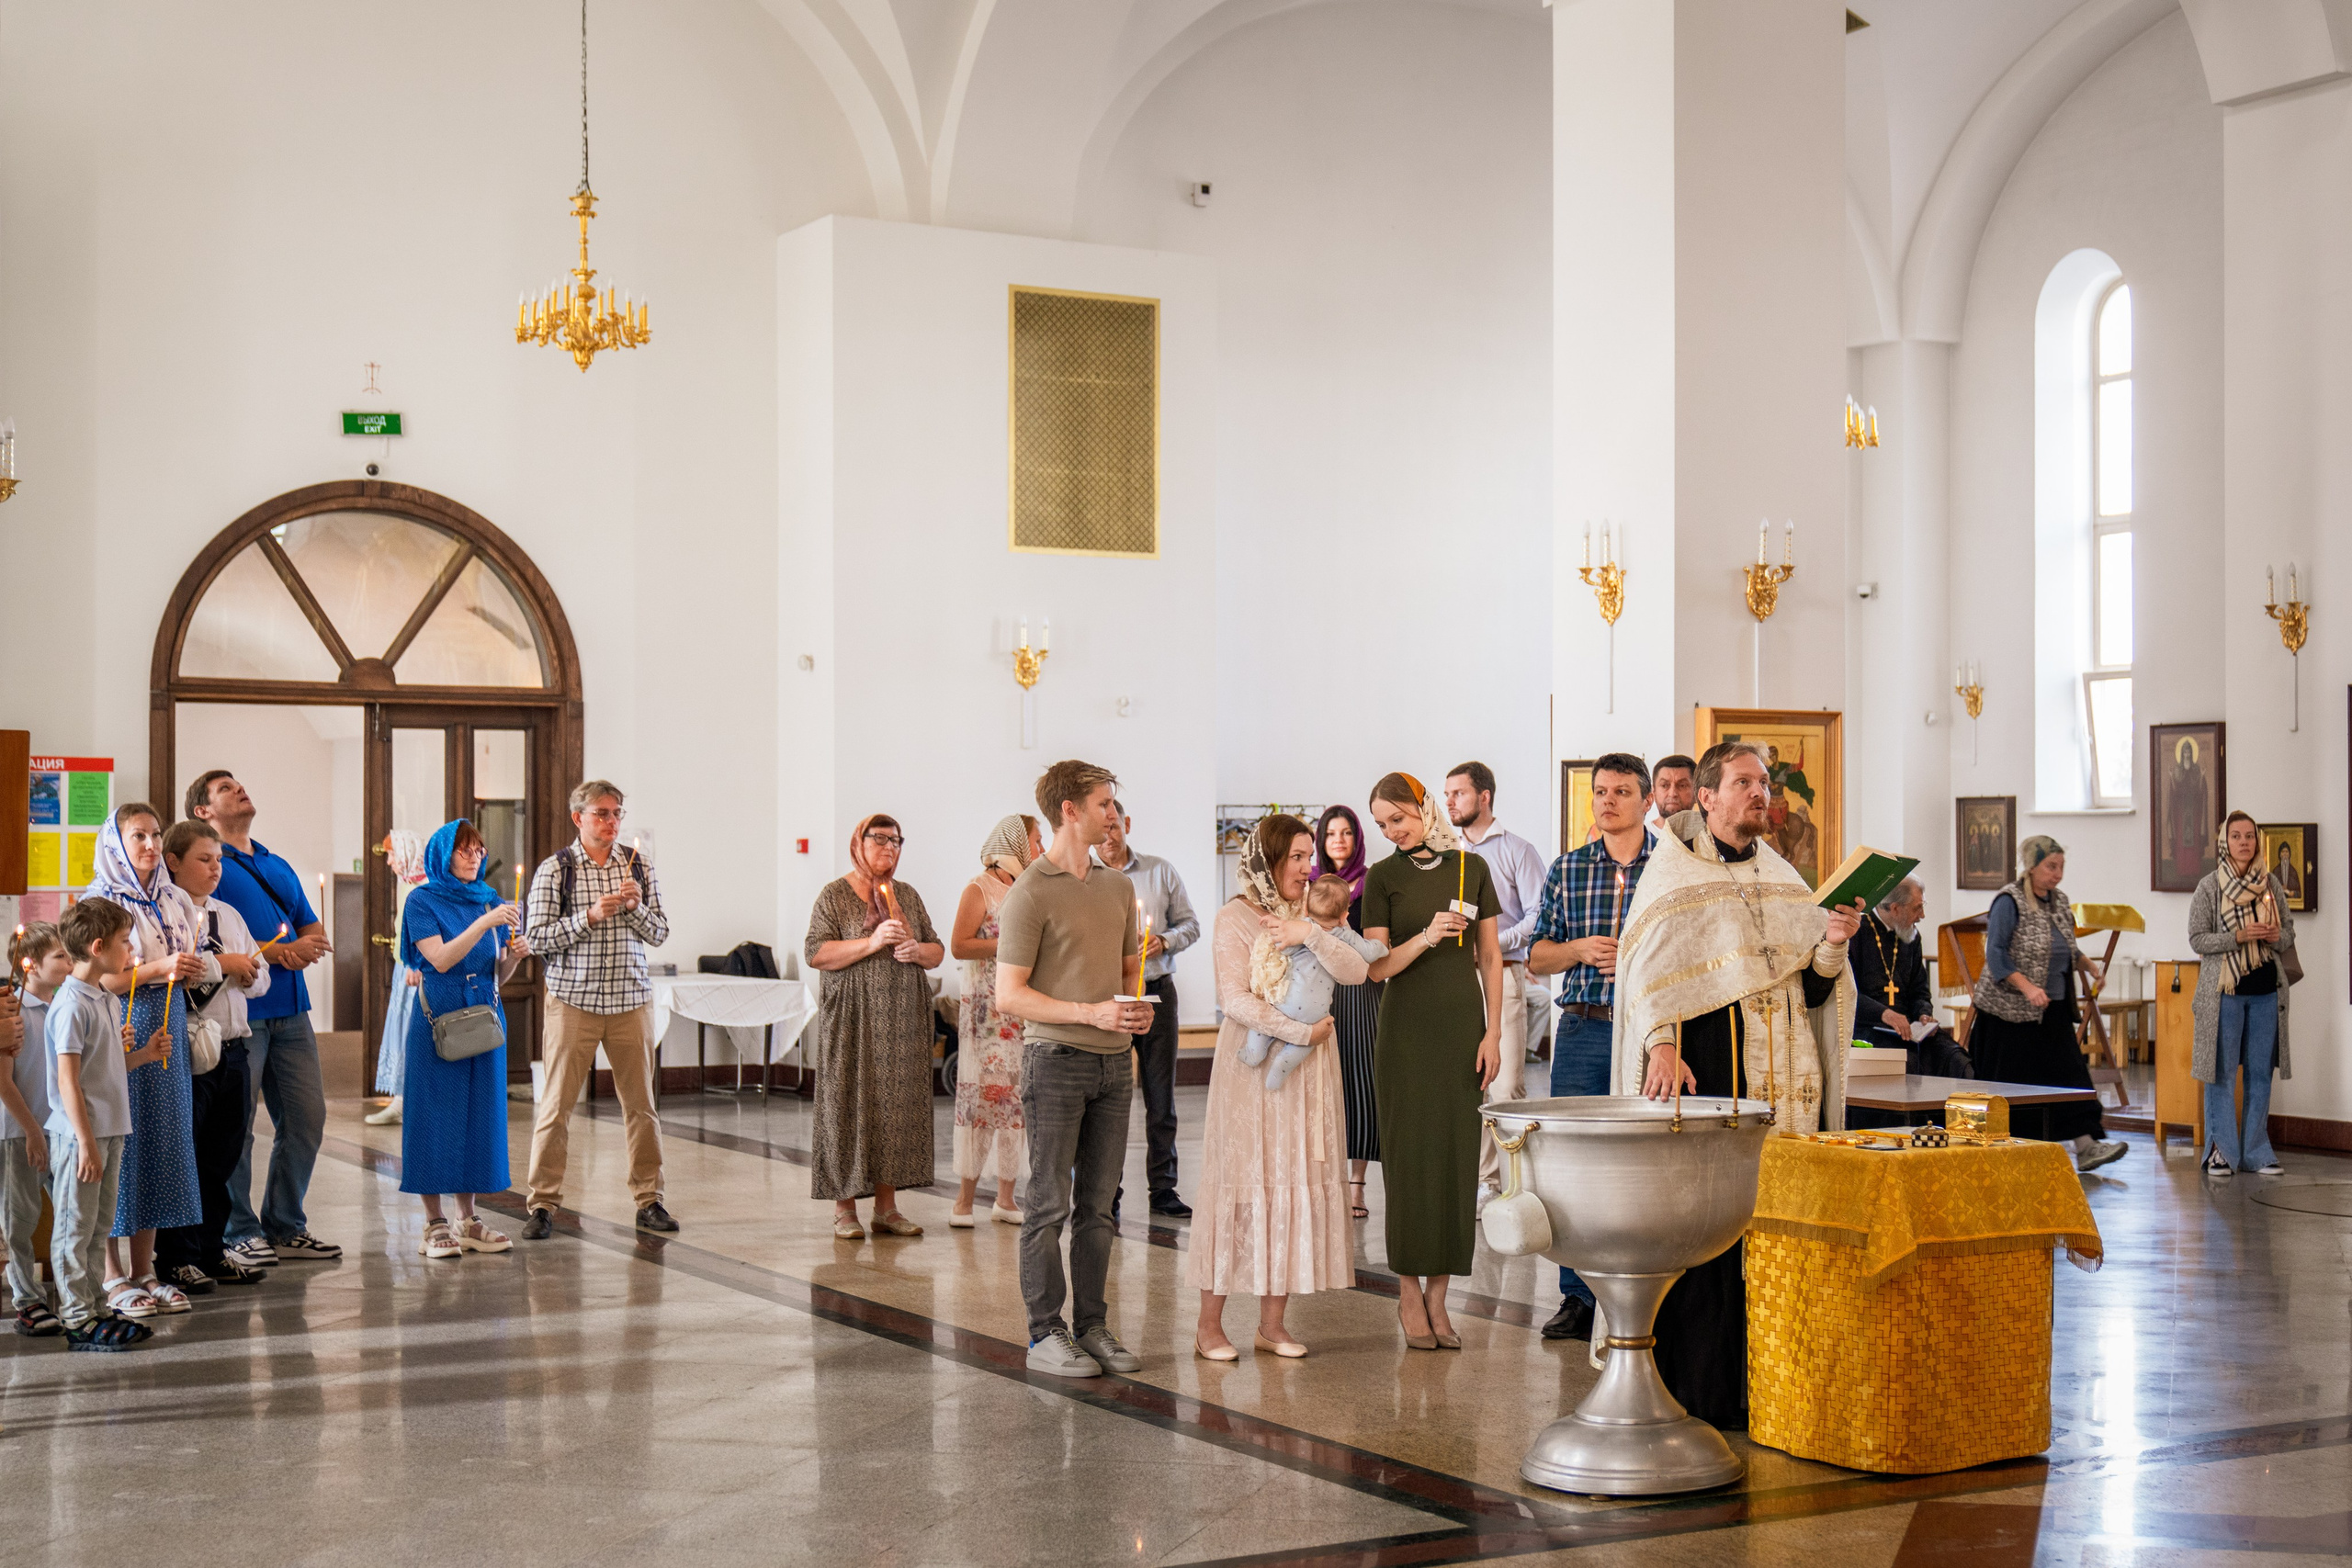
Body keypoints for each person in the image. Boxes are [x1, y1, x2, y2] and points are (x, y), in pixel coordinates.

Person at [1613, 740, 1863, 1428]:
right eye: (1745, 782)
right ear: (1708, 795)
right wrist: (1660, 1044)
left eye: (1765, 784)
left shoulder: (1784, 877)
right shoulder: (1672, 874)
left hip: (1787, 1090)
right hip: (1711, 1078)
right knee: (1709, 1243)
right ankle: (1705, 1394)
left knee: (1780, 1240)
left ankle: (1778, 1390)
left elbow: (1815, 988)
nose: (1760, 793)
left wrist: (1835, 938)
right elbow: (1647, 974)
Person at [1191, 818, 1378, 1359]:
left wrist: (1315, 933)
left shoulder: (1310, 916)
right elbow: (1236, 999)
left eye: (1308, 856)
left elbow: (1355, 974)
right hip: (1253, 1071)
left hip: (1308, 1071)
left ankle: (1272, 1324)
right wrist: (1303, 1032)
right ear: (1268, 859)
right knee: (1241, 1181)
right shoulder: (1235, 917)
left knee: (1291, 1179)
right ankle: (1209, 1327)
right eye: (1296, 857)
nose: (1306, 867)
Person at [993, 760, 1151, 1379]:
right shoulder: (1030, 891)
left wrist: (1134, 1010)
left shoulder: (1116, 887)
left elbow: (1125, 970)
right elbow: (1010, 994)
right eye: (1104, 803)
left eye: (1113, 803)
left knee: (1099, 1207)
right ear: (1071, 810)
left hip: (1114, 1066)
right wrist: (1088, 1011)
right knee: (1048, 1204)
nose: (1113, 813)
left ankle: (1092, 1323)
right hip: (1055, 1061)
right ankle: (1045, 1331)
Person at [1361, 772, 1502, 1350]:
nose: (1393, 832)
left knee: (1454, 1160)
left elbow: (1490, 955)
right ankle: (1406, 1292)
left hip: (1462, 1031)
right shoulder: (1380, 878)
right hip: (1405, 1035)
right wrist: (1425, 936)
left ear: (1424, 809)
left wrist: (1493, 1034)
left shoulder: (1473, 869)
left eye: (1400, 818)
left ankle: (1440, 1297)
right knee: (1409, 1161)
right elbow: (1376, 967)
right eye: (1383, 824)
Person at [186, 770, 342, 1267]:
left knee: (306, 1118)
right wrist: (279, 952)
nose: (239, 789)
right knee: (238, 1128)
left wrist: (305, 946)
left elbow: (308, 922)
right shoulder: (208, 865)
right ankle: (238, 1230)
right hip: (239, 1015)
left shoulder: (274, 862)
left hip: (292, 1012)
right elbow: (209, 939)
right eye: (224, 788)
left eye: (240, 784)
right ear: (202, 811)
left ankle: (286, 1224)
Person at [1527, 750, 1655, 1340]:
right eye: (1600, 791)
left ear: (1647, 800)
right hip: (1581, 1027)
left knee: (1644, 1161)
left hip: (1648, 1031)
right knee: (1572, 1160)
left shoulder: (1670, 868)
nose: (1607, 801)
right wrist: (1578, 950)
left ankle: (1647, 1284)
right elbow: (1536, 958)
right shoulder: (1569, 868)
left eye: (1621, 792)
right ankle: (1576, 1297)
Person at [521, 780, 676, 1239]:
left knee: (642, 1107)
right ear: (579, 818)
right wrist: (588, 916)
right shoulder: (556, 870)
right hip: (574, 1001)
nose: (611, 823)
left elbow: (661, 932)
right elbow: (537, 938)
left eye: (617, 814)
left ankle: (650, 1200)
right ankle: (543, 1204)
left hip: (630, 1000)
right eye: (602, 814)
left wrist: (632, 907)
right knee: (557, 1107)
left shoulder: (639, 866)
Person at [87, 806, 207, 1317]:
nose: (151, 845)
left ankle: (145, 1269)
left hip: (169, 1020)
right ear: (116, 841)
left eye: (156, 835)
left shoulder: (173, 897)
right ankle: (112, 1275)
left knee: (162, 1138)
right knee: (123, 1143)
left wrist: (192, 970)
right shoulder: (99, 901)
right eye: (138, 835)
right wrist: (160, 967)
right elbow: (97, 977)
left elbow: (189, 956)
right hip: (123, 1019)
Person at [804, 813, 945, 1239]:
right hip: (853, 1019)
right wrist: (871, 942)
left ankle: (887, 1208)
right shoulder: (834, 895)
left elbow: (938, 950)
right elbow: (816, 953)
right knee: (848, 1104)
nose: (888, 847)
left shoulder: (907, 895)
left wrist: (915, 950)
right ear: (858, 842)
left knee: (895, 1110)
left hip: (902, 1019)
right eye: (879, 839)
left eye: (896, 840)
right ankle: (845, 1209)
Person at [401, 820, 532, 1256]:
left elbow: (498, 974)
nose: (474, 857)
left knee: (479, 1118)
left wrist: (513, 956)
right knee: (435, 1118)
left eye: (478, 850)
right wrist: (485, 924)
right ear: (443, 856)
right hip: (440, 1019)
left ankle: (467, 1219)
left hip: (483, 1018)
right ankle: (434, 1224)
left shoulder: (487, 900)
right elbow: (438, 959)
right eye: (465, 851)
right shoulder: (422, 900)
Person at [155, 820, 272, 1294]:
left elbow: (260, 979)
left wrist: (247, 973)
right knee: (187, 1155)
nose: (215, 869)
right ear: (173, 862)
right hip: (186, 1047)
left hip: (233, 1046)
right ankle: (176, 1257)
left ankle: (211, 1250)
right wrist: (222, 964)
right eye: (204, 860)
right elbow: (176, 974)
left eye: (219, 860)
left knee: (224, 1154)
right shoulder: (165, 915)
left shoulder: (228, 915)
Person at [1967, 836, 2127, 1172]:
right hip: (2007, 1015)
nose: (2057, 874)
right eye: (2051, 867)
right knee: (2014, 1086)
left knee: (2071, 1075)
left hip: (2051, 1008)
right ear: (2031, 866)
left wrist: (2090, 965)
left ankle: (2087, 1146)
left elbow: (2066, 946)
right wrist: (2026, 987)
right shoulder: (2009, 902)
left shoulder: (2059, 901)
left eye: (2061, 867)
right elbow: (1995, 954)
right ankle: (2010, 1155)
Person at [45, 897, 157, 1350]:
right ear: (97, 947)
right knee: (74, 1227)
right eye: (125, 942)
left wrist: (144, 1055)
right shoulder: (71, 1004)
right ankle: (75, 1318)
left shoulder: (105, 998)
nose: (131, 950)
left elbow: (105, 1068)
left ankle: (93, 1308)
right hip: (80, 1136)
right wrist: (86, 1143)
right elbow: (68, 1080)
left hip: (111, 1130)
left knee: (98, 1226)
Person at [1444, 762, 1549, 1199]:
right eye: (1446, 794)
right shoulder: (1444, 853)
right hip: (1452, 981)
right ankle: (1483, 1182)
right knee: (1467, 1081)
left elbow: (1538, 915)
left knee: (1504, 1084)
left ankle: (1516, 1184)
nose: (1449, 802)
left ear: (1484, 796)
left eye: (1458, 794)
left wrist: (1491, 943)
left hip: (1502, 974)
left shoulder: (1517, 850)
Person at [1096, 802, 1200, 1218]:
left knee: (1161, 1097)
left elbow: (1190, 924)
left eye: (1114, 826)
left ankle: (1164, 1190)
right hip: (1110, 996)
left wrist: (1164, 941)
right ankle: (1108, 1193)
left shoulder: (1160, 871)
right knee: (1112, 1099)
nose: (1108, 836)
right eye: (1100, 829)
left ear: (1127, 824)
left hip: (1157, 991)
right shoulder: (1086, 877)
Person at [947, 814, 1041, 1227]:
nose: (1040, 848)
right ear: (1016, 843)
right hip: (986, 1013)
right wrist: (1009, 945)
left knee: (1015, 1102)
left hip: (1020, 1010)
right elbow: (959, 945)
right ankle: (964, 1201)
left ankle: (1006, 1198)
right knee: (983, 1100)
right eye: (1036, 840)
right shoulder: (979, 887)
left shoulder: (1029, 887)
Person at [2188, 812, 2295, 1178]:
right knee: (2221, 1073)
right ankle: (2220, 1152)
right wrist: (2238, 936)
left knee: (2260, 1073)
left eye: (2250, 836)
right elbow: (2197, 938)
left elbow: (2288, 936)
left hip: (2266, 991)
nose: (2244, 842)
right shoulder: (2209, 887)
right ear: (2225, 843)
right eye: (2236, 836)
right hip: (2225, 994)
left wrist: (2271, 935)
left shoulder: (2271, 884)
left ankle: (2256, 1152)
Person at [1238, 875, 1387, 1091]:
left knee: (1262, 1028)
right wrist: (1382, 947)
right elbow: (1369, 952)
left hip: (1286, 1002)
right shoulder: (1345, 935)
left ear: (1306, 910)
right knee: (1303, 1044)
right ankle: (1283, 1064)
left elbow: (1286, 948)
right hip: (1314, 1013)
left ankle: (1254, 1052)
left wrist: (1276, 926)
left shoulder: (1301, 926)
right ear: (1344, 915)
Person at [1313, 805, 1380, 1221]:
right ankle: (1324, 1182)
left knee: (1359, 1081)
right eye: (1331, 833)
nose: (1338, 840)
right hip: (1318, 990)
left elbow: (1374, 940)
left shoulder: (1371, 882)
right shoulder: (1309, 884)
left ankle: (1355, 1185)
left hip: (1359, 990)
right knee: (1323, 1083)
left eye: (1346, 833)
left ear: (1357, 839)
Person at [1849, 877, 1972, 1078]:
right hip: (1868, 1028)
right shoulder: (1856, 933)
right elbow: (1846, 992)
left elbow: (1920, 990)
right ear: (1895, 908)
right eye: (1917, 908)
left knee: (1958, 1060)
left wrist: (1924, 1014)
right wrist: (1885, 1014)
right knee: (1907, 1063)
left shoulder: (1911, 937)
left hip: (1910, 1029)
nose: (1922, 915)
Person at [5, 923, 64, 1335]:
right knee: (20, 1217)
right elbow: (4, 1082)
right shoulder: (12, 1013)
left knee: (69, 1215)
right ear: (29, 967)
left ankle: (70, 1292)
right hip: (18, 1130)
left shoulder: (62, 1007)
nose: (69, 961)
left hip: (57, 1129)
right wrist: (31, 1130)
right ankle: (27, 1300)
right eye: (60, 956)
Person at [364, 829, 427, 1128]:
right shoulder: (407, 883)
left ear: (406, 853)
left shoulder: (427, 886)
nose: (389, 861)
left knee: (413, 1034)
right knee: (401, 1032)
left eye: (391, 854)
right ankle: (401, 1101)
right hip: (405, 967)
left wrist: (417, 962)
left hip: (420, 969)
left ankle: (409, 1102)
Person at [1645, 754, 1697, 827]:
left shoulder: (1708, 836)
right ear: (1653, 791)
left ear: (1697, 793)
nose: (1672, 793)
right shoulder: (1642, 836)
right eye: (1664, 785)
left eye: (1682, 785)